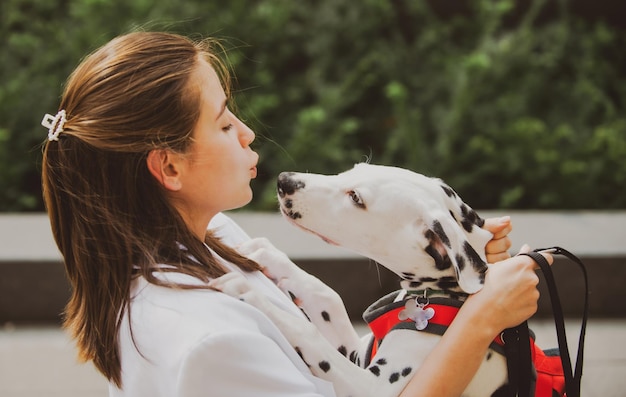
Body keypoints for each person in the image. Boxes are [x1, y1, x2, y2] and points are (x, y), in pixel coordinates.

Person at [41, 31, 550, 397]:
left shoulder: (208, 238)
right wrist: (480, 321)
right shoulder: (211, 343)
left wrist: (458, 263)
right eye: (222, 125)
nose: (247, 132)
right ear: (168, 166)